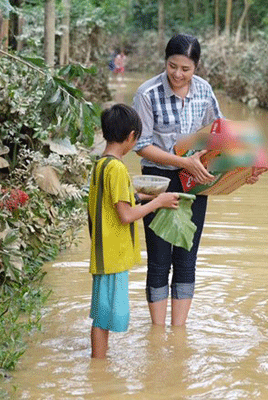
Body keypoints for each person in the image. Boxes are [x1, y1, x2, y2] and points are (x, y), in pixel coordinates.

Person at [133, 33, 259, 327]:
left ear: (196, 67)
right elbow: (142, 144)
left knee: (187, 257)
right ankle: (157, 332)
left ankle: (178, 332)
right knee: (159, 258)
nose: (178, 74)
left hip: (195, 181)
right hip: (157, 180)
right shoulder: (147, 93)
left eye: (185, 69)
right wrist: (182, 162)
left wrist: (244, 170)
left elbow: (221, 134)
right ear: (165, 62)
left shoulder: (204, 91)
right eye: (172, 66)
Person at [87, 104, 179, 358]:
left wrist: (142, 195)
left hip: (103, 250)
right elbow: (125, 215)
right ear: (131, 137)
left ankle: (99, 363)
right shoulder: (117, 169)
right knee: (104, 317)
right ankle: (99, 364)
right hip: (112, 253)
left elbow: (116, 200)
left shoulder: (102, 165)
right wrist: (157, 203)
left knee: (100, 313)